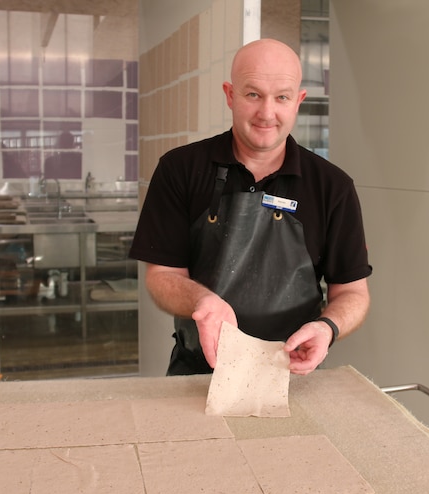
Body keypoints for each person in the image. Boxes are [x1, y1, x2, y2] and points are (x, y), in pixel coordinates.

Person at [129, 38, 372, 376]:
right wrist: (202, 301)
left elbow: (352, 291)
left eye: (282, 97)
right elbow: (161, 276)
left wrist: (327, 327)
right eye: (253, 94)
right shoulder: (180, 170)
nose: (266, 113)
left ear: (298, 101)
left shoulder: (332, 187)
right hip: (196, 372)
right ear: (230, 95)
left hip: (292, 373)